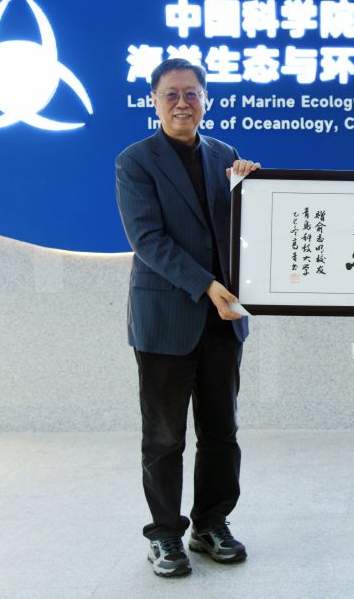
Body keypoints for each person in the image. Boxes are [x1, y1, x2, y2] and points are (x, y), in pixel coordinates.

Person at [115, 58, 260, 577]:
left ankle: (211, 524)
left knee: (221, 431)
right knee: (164, 437)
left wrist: (253, 188)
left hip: (224, 320)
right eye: (172, 94)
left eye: (192, 93)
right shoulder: (136, 161)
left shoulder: (226, 156)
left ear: (206, 99)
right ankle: (165, 535)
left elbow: (243, 231)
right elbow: (148, 240)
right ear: (154, 102)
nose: (183, 103)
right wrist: (207, 286)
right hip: (165, 319)